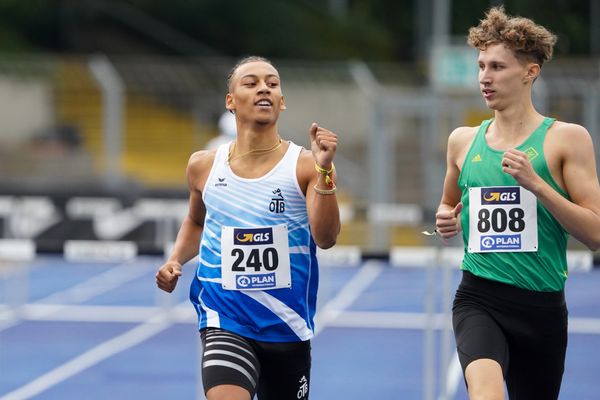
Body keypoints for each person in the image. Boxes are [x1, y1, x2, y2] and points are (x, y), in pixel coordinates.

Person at [435, 6, 600, 400]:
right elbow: (446, 204)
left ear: (530, 72)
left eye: (497, 67)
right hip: (479, 297)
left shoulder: (566, 139)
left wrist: (537, 185)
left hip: (541, 306)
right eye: (481, 66)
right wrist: (445, 219)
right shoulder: (462, 141)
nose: (484, 78)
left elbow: (595, 234)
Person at [155, 55, 340, 400]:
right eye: (251, 83)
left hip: (286, 327)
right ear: (230, 101)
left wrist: (326, 172)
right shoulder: (203, 166)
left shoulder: (305, 167)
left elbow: (326, 239)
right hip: (225, 319)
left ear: (282, 101)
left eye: (272, 83)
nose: (264, 89)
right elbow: (196, 221)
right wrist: (175, 259)